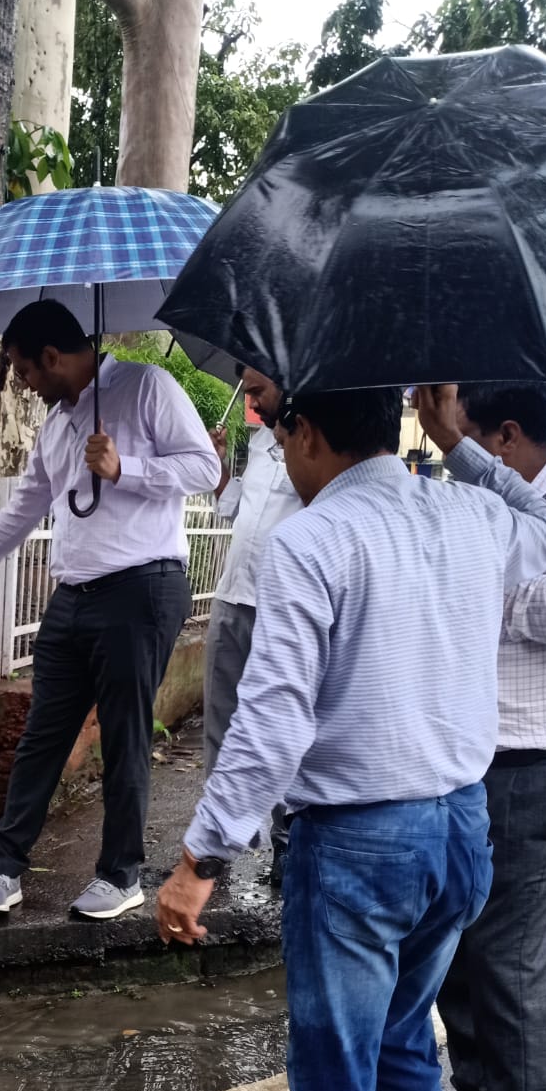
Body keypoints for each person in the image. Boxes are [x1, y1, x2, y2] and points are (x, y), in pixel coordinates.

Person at [155, 384, 546, 1091]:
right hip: (460, 831)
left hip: (360, 844)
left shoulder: (313, 539)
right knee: (404, 1045)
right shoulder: (469, 510)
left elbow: (272, 721)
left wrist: (200, 857)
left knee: (336, 1065)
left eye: (279, 430)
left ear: (304, 432)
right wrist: (462, 445)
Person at [0, 299, 218, 920]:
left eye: (23, 369)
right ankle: (4, 868)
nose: (21, 382)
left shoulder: (145, 386)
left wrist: (126, 467)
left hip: (142, 587)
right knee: (41, 737)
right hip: (73, 598)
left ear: (52, 357)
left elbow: (204, 467)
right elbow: (20, 513)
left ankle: (121, 875)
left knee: (125, 737)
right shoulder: (56, 425)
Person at [419, 381, 546, 1091]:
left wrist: (495, 589)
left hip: (540, 759)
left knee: (513, 962)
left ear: (506, 437)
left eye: (474, 438)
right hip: (479, 754)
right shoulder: (495, 502)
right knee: (465, 948)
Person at [203, 369, 302, 885]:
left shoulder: (310, 444)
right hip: (231, 596)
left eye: (255, 387)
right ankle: (218, 839)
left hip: (281, 605)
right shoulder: (261, 441)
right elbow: (234, 508)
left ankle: (287, 840)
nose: (247, 397)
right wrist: (220, 466)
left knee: (282, 728)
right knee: (220, 723)